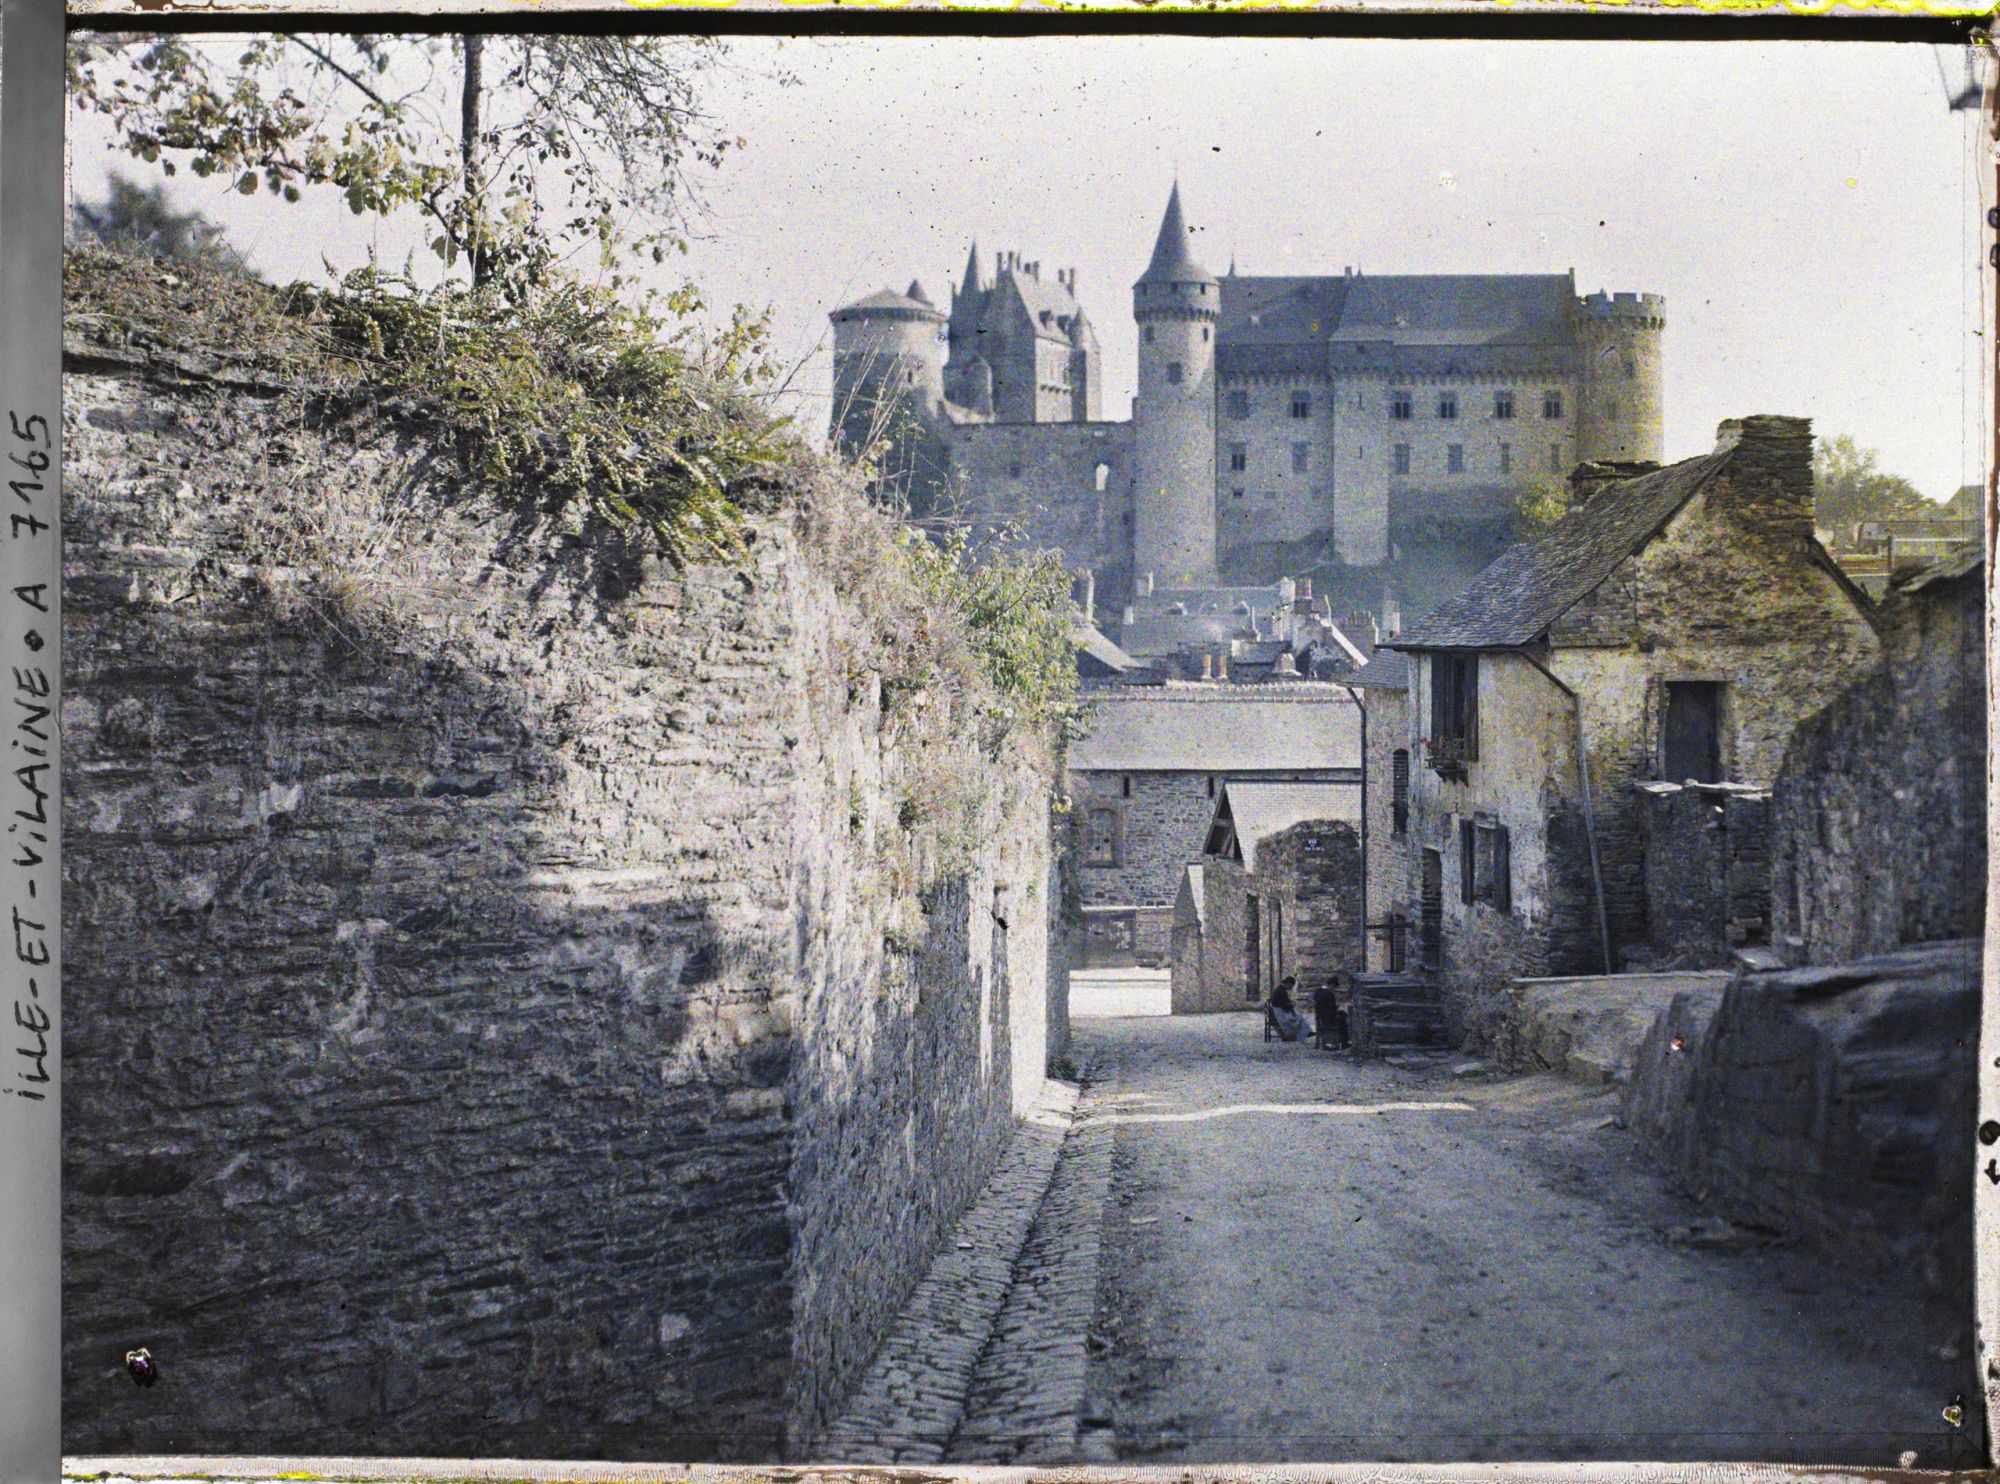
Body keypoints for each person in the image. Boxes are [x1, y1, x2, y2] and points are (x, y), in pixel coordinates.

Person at [1265, 974, 1306, 1043]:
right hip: (1278, 1014)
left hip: (1276, 1012)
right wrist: (1293, 1005)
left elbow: (1283, 1002)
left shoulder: (1280, 989)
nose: (1291, 987)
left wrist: (1291, 1003)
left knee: (1298, 1016)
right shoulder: (1281, 991)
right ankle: (1297, 1035)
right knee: (1299, 1017)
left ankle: (1300, 1034)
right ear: (1289, 984)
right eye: (1292, 986)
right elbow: (1284, 1006)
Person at [1313, 978, 1348, 1051]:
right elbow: (1331, 1008)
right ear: (1332, 985)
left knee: (1342, 1014)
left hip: (1321, 1016)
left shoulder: (1318, 991)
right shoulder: (1328, 993)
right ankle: (1344, 1042)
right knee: (1343, 1018)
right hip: (1327, 1018)